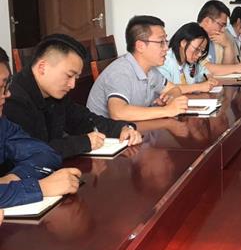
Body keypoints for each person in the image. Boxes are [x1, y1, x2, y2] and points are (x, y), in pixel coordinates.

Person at [4, 34, 143, 159]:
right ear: (42, 67)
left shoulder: (55, 93)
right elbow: (31, 150)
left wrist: (122, 128)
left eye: (76, 78)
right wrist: (83, 142)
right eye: (69, 75)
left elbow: (84, 120)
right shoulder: (12, 99)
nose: (72, 85)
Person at [0, 47, 81, 224]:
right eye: (0, 88)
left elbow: (46, 154)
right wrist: (40, 187)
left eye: (5, 86)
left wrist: (10, 180)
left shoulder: (3, 125)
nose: (7, 94)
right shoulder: (19, 100)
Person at [87, 15, 200, 121]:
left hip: (130, 130)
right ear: (140, 46)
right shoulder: (120, 71)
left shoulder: (151, 71)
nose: (166, 48)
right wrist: (167, 110)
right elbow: (118, 113)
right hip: (102, 133)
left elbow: (174, 89)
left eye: (166, 41)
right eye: (161, 42)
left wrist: (170, 98)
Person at [158, 23, 218, 90]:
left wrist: (209, 77)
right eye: (197, 49)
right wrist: (198, 87)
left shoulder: (189, 61)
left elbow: (203, 71)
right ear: (183, 43)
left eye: (202, 51)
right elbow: (166, 89)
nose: (199, 54)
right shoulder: (164, 61)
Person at [196, 0, 241, 76]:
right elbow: (204, 68)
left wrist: (227, 45)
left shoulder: (216, 38)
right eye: (221, 25)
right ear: (207, 21)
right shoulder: (192, 36)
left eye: (225, 26)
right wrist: (235, 68)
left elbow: (226, 69)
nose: (223, 30)